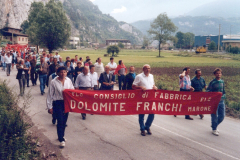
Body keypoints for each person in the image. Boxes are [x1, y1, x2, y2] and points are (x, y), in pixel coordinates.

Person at [47, 66, 74, 147]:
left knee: (64, 121)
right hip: (57, 103)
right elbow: (49, 95)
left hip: (66, 103)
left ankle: (61, 135)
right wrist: (49, 107)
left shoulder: (68, 80)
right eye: (61, 72)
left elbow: (72, 90)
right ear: (58, 73)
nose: (63, 74)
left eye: (64, 72)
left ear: (66, 72)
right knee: (60, 120)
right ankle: (61, 139)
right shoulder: (53, 82)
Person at [132, 64, 158, 136]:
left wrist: (155, 87)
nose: (148, 70)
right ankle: (142, 129)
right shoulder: (139, 76)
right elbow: (133, 86)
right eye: (146, 68)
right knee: (141, 114)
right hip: (142, 98)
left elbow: (152, 85)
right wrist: (140, 87)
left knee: (152, 113)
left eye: (149, 68)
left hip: (150, 98)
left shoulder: (151, 76)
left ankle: (147, 126)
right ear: (143, 69)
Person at [207, 68, 226, 136]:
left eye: (220, 73)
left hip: (221, 101)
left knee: (222, 116)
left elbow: (223, 91)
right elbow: (208, 91)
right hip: (214, 102)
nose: (219, 74)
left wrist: (223, 96)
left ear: (221, 74)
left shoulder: (222, 82)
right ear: (215, 74)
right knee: (214, 115)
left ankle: (214, 125)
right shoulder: (212, 82)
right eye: (217, 73)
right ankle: (214, 129)